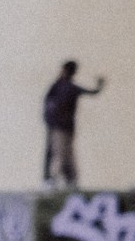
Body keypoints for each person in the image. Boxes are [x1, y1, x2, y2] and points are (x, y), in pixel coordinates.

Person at [41, 60, 104, 188]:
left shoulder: (63, 87)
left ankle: (66, 180)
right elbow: (48, 104)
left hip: (63, 127)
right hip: (60, 127)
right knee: (60, 154)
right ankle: (55, 180)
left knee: (64, 154)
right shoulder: (61, 87)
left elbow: (48, 104)